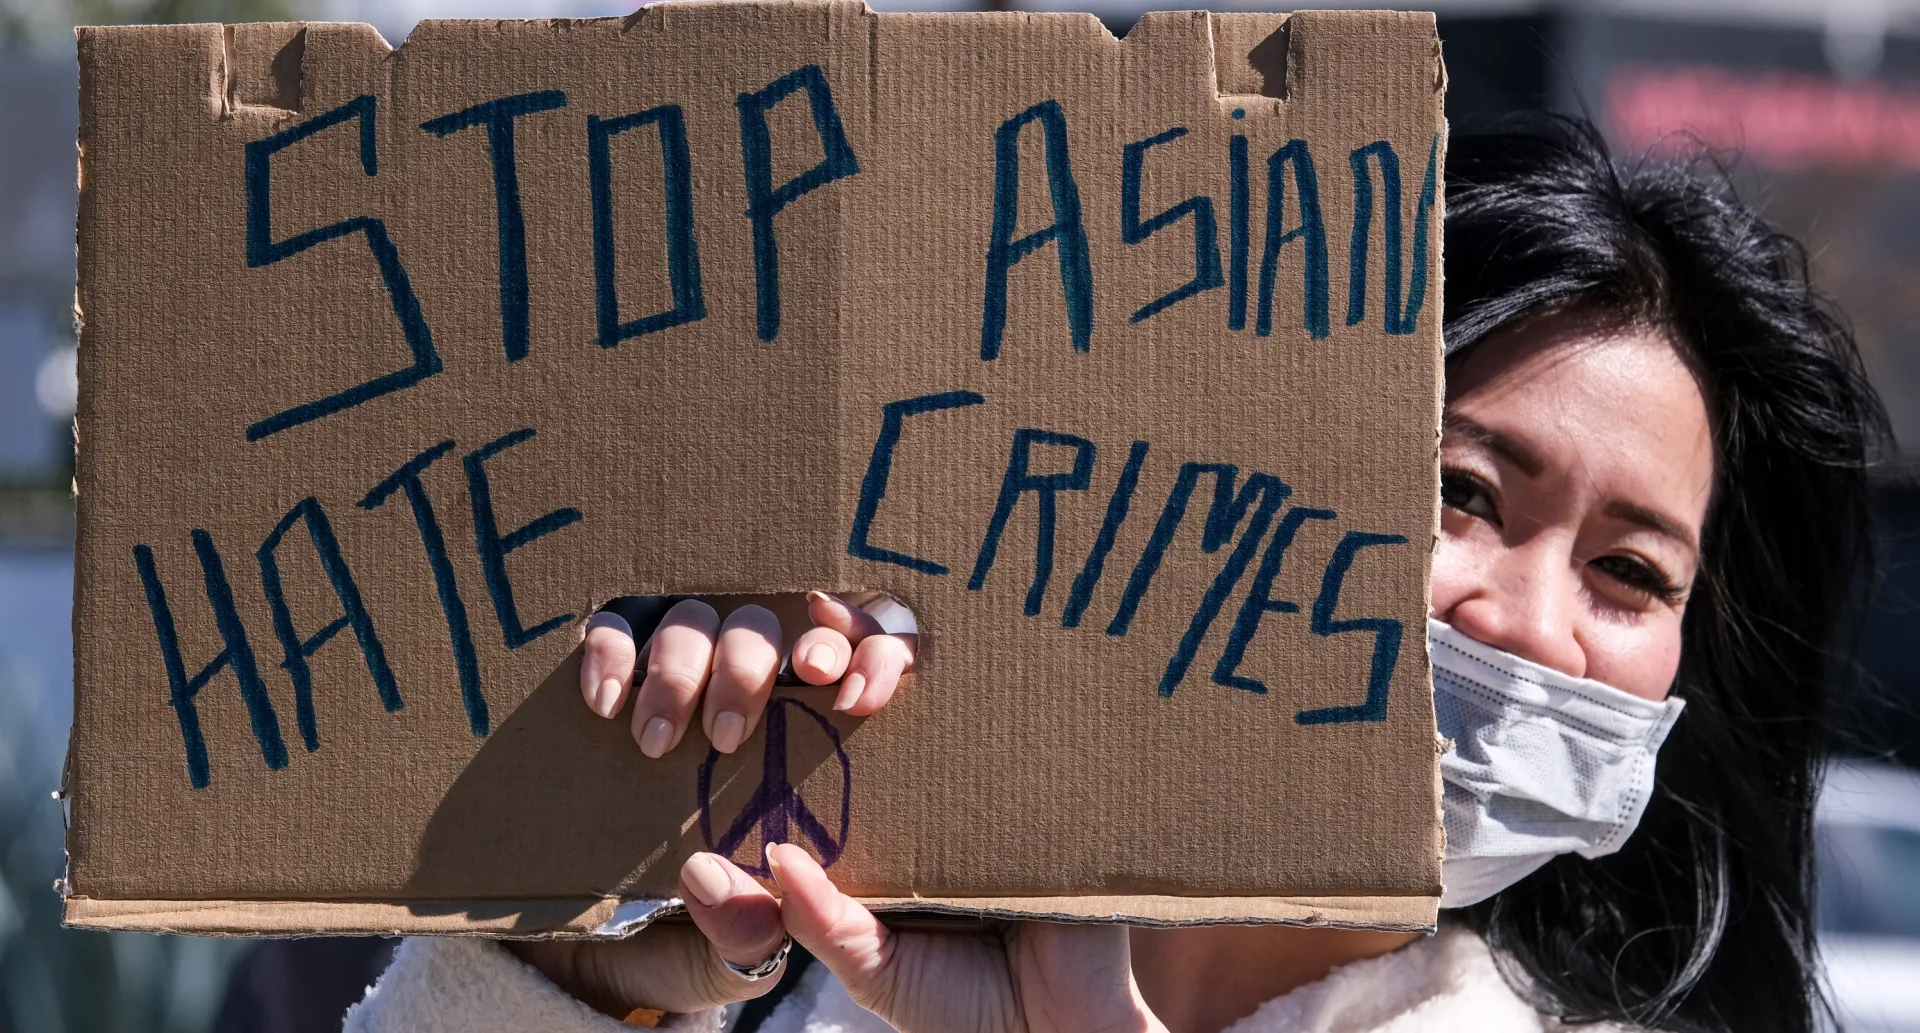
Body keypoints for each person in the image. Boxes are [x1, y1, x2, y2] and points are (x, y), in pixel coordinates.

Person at [342, 115, 1888, 1033]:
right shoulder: (805, 961)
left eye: (1630, 571)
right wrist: (557, 975)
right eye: (1459, 494)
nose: (1524, 621)